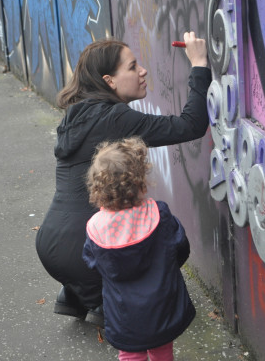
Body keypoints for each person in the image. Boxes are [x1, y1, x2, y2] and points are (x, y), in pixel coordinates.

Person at [35, 31, 210, 327]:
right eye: (132, 67)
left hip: (51, 243)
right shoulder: (115, 118)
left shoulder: (75, 115)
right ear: (109, 81)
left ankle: (78, 294)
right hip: (84, 247)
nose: (142, 71)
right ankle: (104, 299)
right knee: (163, 246)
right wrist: (199, 64)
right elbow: (189, 126)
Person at [83, 137, 194, 361]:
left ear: (97, 186)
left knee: (130, 354)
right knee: (162, 351)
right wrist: (165, 270)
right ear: (140, 181)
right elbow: (181, 247)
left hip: (124, 313)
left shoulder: (96, 226)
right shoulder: (158, 214)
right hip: (162, 306)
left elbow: (92, 263)